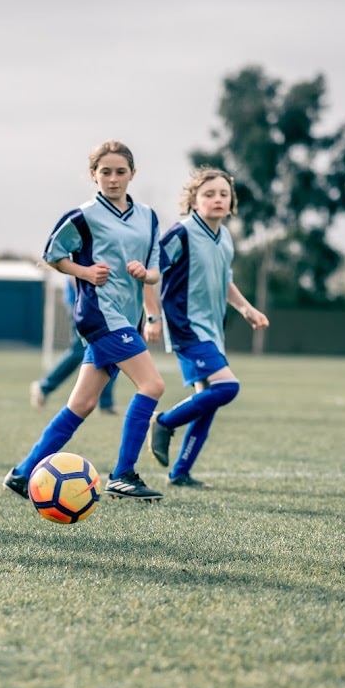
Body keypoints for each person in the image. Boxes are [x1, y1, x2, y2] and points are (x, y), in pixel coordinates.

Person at [3, 140, 166, 501]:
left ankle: (23, 473)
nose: (112, 179)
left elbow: (156, 271)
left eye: (120, 172)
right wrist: (85, 271)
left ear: (132, 174)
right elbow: (51, 255)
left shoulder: (149, 218)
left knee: (82, 404)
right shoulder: (83, 215)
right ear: (93, 175)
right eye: (105, 172)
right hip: (99, 314)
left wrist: (145, 274)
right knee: (152, 385)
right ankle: (123, 475)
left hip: (128, 317)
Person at [144, 167, 269, 488]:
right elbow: (149, 271)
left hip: (213, 329)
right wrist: (153, 316)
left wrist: (246, 308)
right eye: (209, 194)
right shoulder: (182, 233)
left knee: (209, 401)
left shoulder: (225, 237)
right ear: (194, 201)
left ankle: (180, 473)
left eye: (223, 194)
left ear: (231, 202)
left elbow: (225, 280)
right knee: (227, 388)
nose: (217, 199)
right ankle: (164, 422)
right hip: (186, 326)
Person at [30, 276, 117, 414]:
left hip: (101, 304)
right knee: (80, 350)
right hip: (83, 304)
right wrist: (87, 298)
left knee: (108, 349)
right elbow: (72, 271)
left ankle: (106, 403)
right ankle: (44, 386)